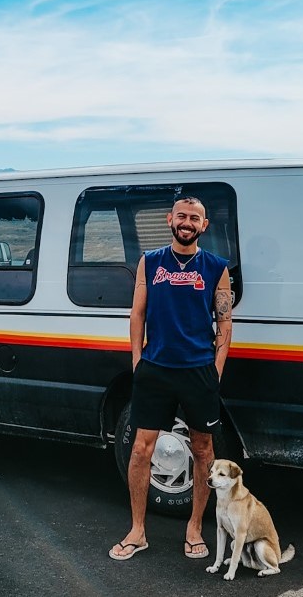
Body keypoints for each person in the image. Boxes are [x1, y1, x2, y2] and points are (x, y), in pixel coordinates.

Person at [109, 196, 233, 562]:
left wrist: (215, 371)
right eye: (182, 216)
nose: (187, 222)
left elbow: (224, 321)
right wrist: (137, 361)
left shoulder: (216, 267)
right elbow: (137, 313)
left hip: (198, 371)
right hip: (155, 368)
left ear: (204, 226)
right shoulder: (151, 261)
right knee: (140, 449)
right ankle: (137, 530)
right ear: (170, 219)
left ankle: (194, 527)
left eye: (195, 218)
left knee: (203, 451)